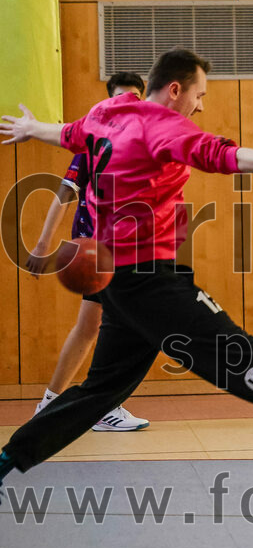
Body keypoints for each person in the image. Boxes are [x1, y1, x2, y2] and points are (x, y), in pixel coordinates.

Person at [0, 48, 253, 496]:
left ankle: (6, 460)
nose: (200, 106)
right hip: (148, 282)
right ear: (175, 89)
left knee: (99, 391)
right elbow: (219, 154)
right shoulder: (163, 126)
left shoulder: (108, 113)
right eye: (198, 95)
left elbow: (68, 132)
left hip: (119, 280)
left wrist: (30, 129)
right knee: (237, 355)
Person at [26, 72, 150, 431]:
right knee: (115, 325)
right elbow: (65, 193)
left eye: (132, 98)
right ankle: (86, 405)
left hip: (126, 249)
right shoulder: (93, 144)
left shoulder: (143, 143)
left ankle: (59, 405)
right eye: (119, 98)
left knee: (93, 326)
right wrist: (43, 243)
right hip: (96, 250)